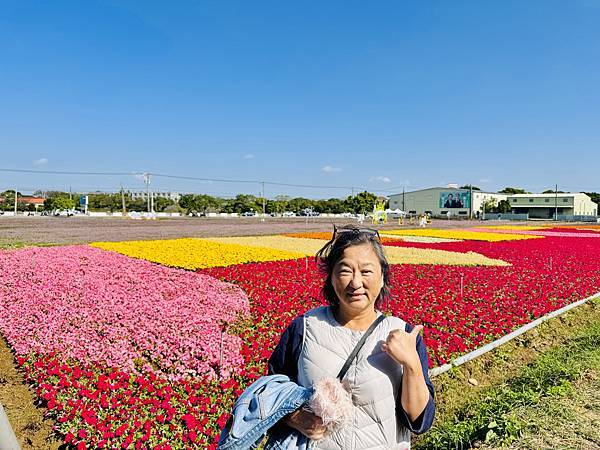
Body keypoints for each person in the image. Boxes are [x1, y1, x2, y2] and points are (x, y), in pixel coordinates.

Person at [268, 225, 435, 449]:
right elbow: (270, 394)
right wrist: (296, 418)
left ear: (382, 277)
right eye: (345, 271)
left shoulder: (403, 334)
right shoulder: (304, 329)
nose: (356, 283)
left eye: (366, 271)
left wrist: (412, 364)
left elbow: (419, 421)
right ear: (331, 278)